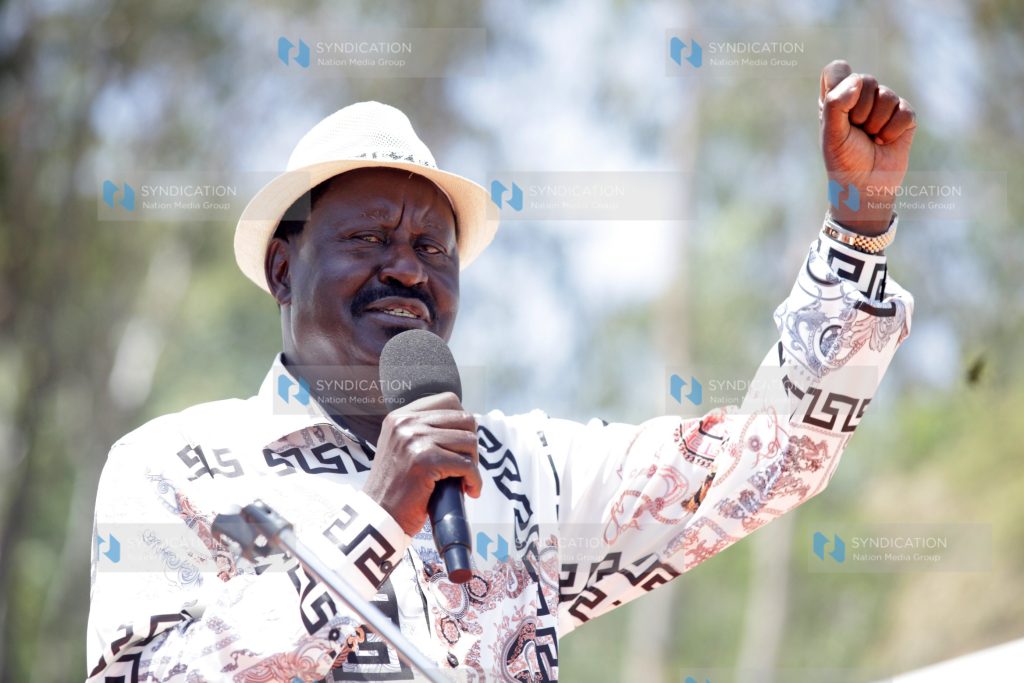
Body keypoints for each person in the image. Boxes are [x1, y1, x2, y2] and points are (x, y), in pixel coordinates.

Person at [87, 60, 915, 682]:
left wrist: (857, 234)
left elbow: (770, 458)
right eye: (369, 239)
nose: (407, 269)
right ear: (282, 269)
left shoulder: (523, 472)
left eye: (431, 247)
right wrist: (375, 520)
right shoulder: (177, 468)